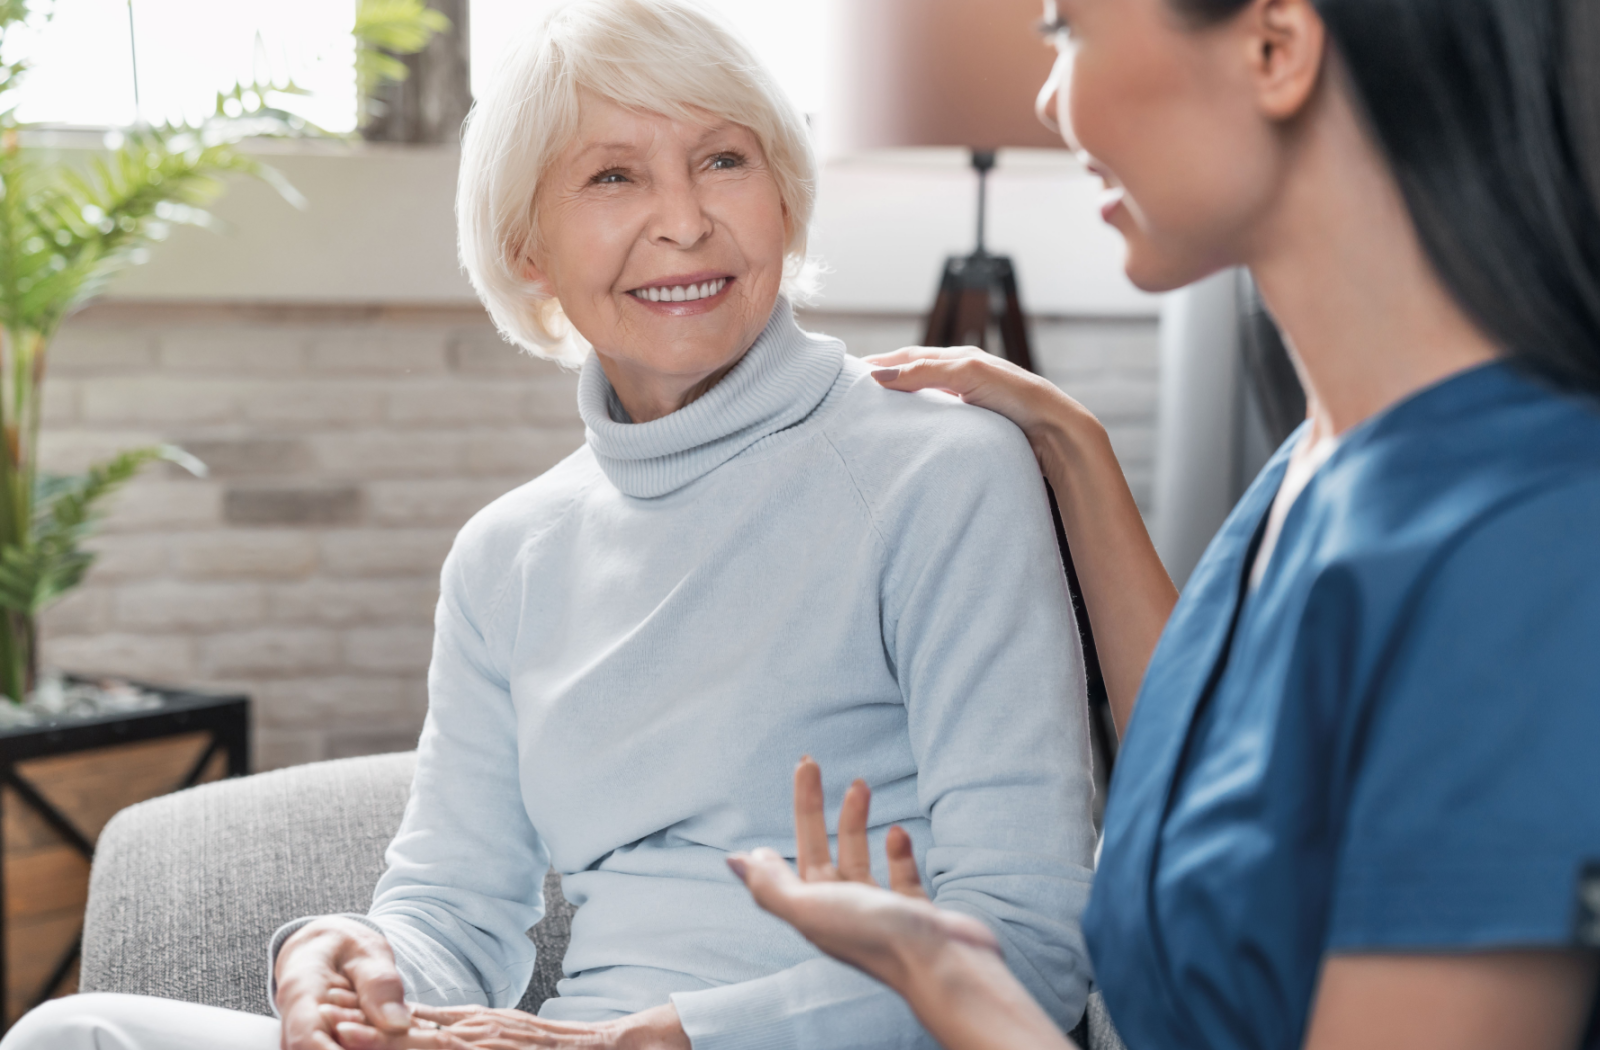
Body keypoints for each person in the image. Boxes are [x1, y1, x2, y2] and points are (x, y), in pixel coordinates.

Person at [0, 2, 1099, 1049]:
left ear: (784, 195)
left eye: (724, 159)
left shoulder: (944, 469)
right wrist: (351, 954)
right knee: (72, 1032)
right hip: (560, 1040)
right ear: (529, 248)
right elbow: (452, 913)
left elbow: (1036, 952)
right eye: (613, 176)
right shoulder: (507, 555)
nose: (683, 221)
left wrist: (668, 1038)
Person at [728, 0, 1600, 1048]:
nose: (1050, 99)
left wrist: (946, 984)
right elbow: (1228, 800)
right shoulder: (1317, 468)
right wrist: (1071, 445)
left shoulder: (1522, 550)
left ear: (1274, 48)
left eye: (1064, 31)